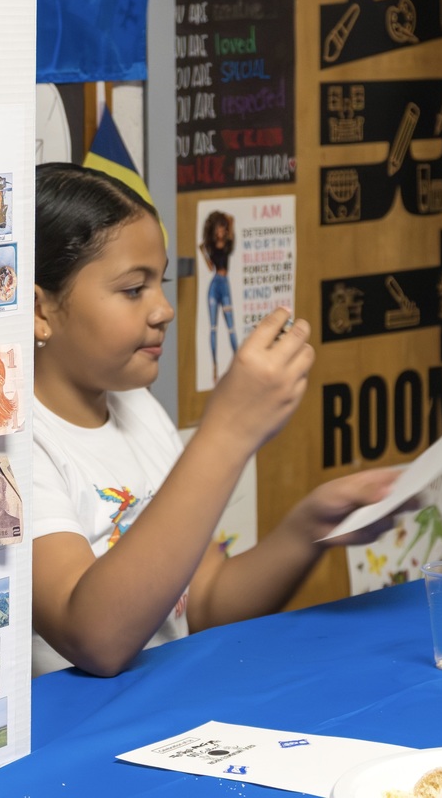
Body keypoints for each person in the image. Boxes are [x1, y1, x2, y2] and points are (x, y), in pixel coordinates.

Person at [31, 163, 404, 678]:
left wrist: (310, 528)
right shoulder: (14, 446)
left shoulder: (137, 407)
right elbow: (95, 638)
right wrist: (227, 431)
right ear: (39, 310)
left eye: (160, 283)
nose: (164, 309)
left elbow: (202, 601)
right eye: (134, 289)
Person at [199, 210, 238, 383]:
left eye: (222, 228)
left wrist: (229, 223)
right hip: (214, 285)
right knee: (213, 327)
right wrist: (203, 252)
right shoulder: (212, 247)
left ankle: (238, 361)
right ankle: (214, 366)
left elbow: (232, 225)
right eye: (218, 229)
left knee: (231, 327)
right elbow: (209, 267)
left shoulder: (228, 245)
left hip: (224, 284)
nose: (220, 231)